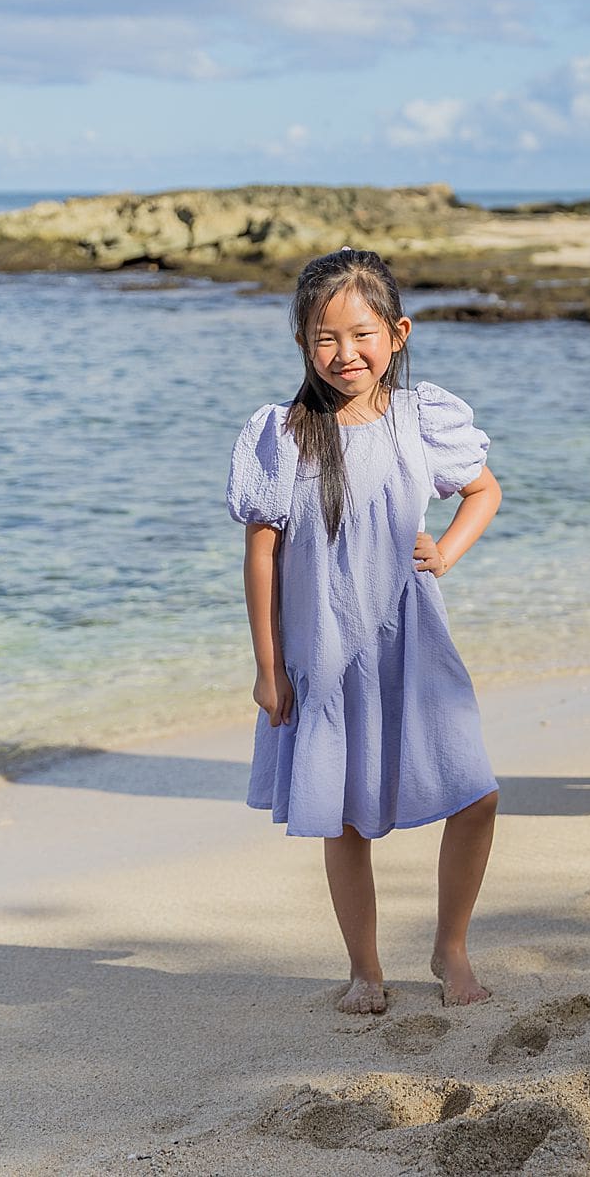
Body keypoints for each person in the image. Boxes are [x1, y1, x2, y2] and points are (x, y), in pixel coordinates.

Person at [227, 247, 501, 1011]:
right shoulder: (282, 434)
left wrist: (443, 550)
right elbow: (261, 553)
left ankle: (451, 951)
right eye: (324, 338)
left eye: (362, 334)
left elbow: (483, 490)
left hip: (414, 638)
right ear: (302, 345)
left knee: (475, 793)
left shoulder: (423, 418)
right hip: (324, 644)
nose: (345, 354)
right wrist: (268, 666)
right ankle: (365, 970)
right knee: (345, 815)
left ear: (398, 333)